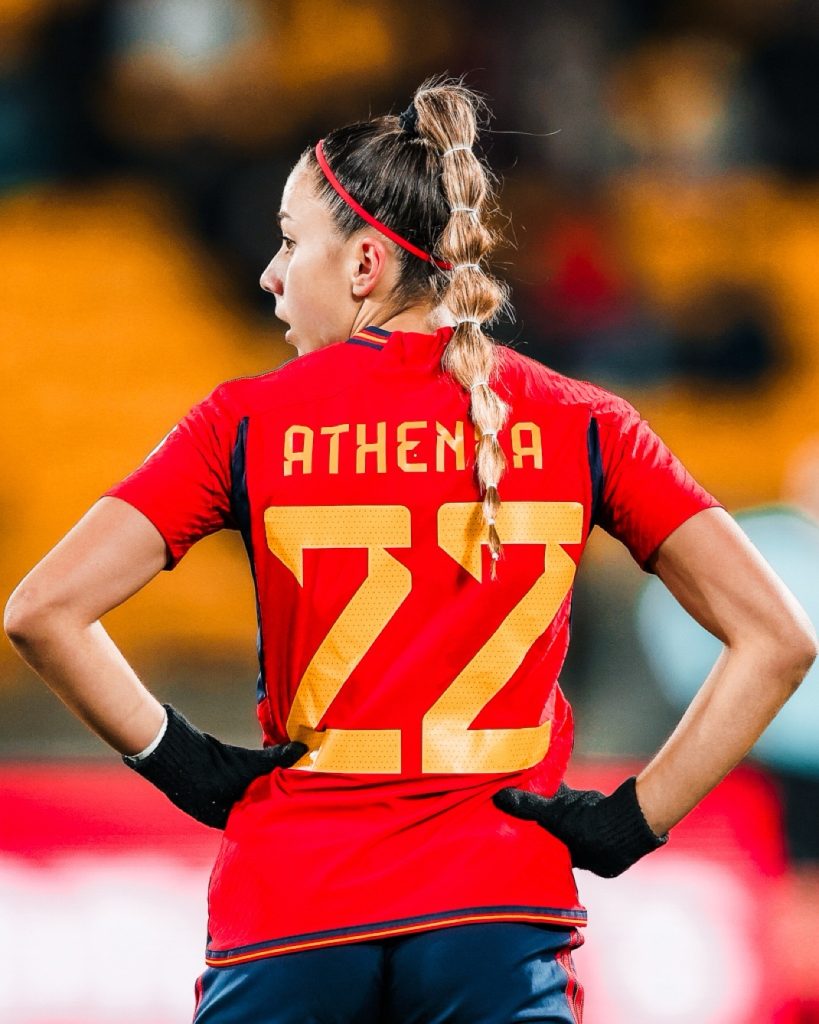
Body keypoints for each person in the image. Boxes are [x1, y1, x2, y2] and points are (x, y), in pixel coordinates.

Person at [4, 78, 816, 1024]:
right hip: (499, 917)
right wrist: (632, 819)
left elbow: (41, 612)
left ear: (363, 264)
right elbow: (778, 639)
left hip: (292, 913)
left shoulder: (243, 423)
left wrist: (181, 760)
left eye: (288, 240)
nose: (270, 273)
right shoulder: (586, 423)